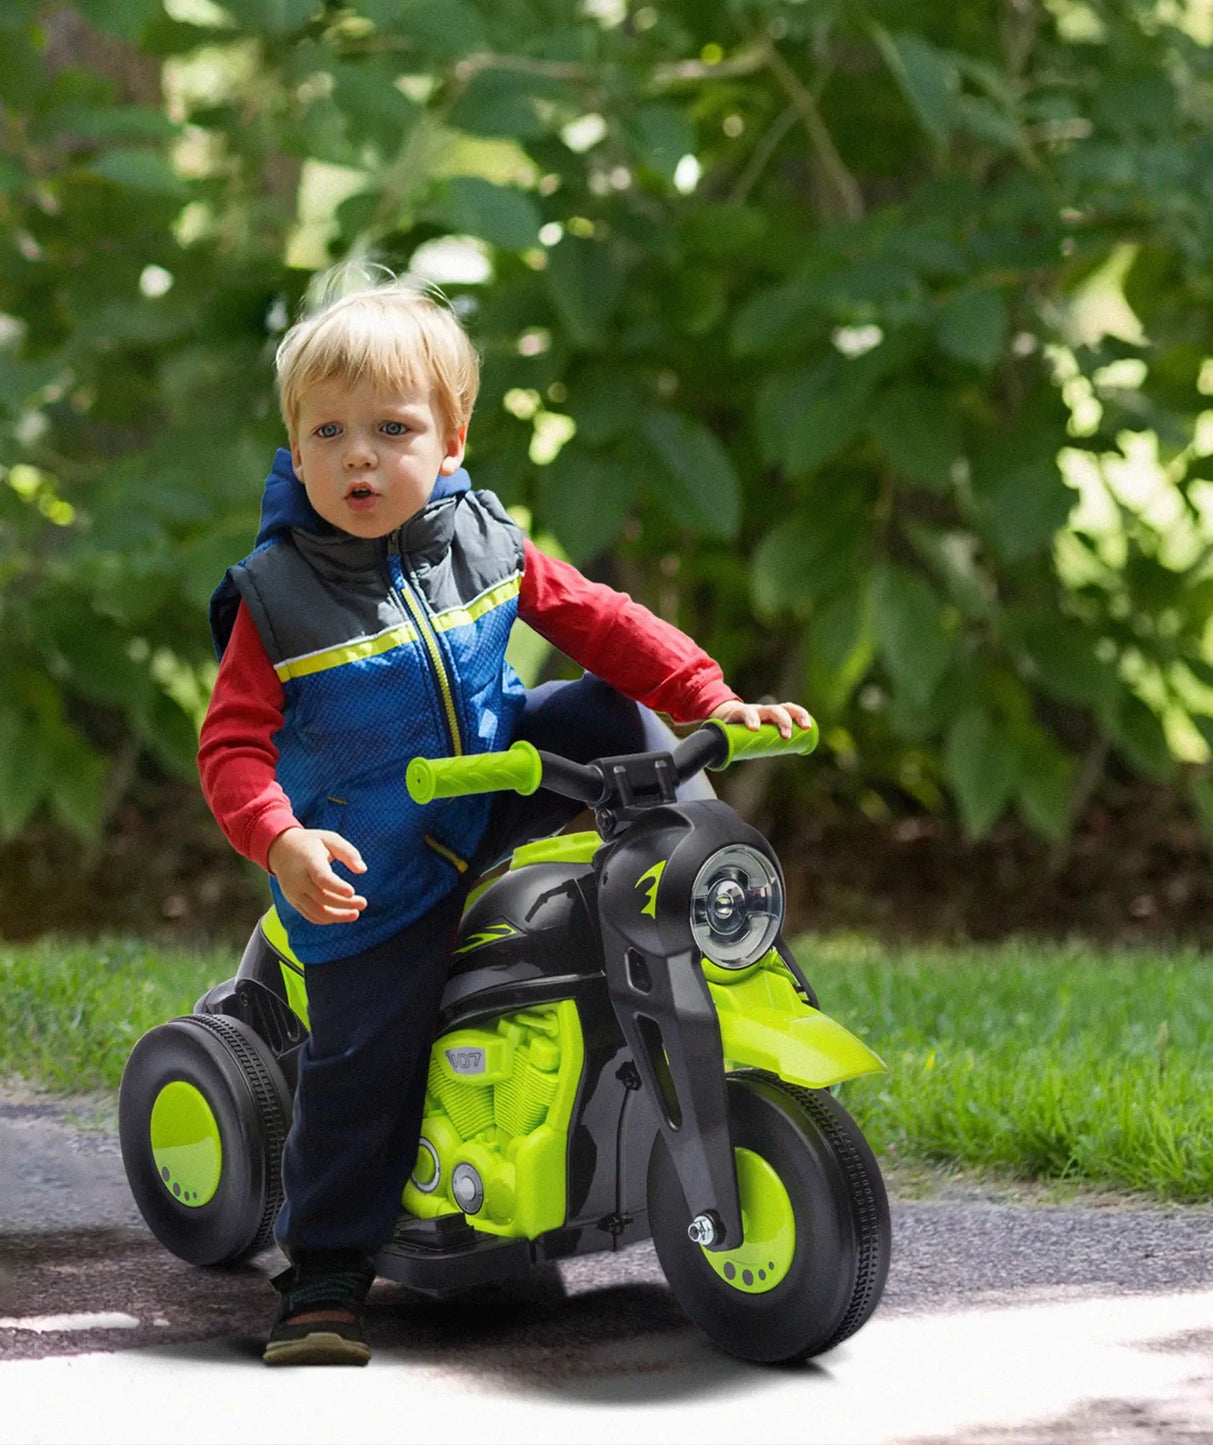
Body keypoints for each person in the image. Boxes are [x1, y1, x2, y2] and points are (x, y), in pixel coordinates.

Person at [198, 272, 811, 1366]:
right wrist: (281, 837)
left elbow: (599, 619)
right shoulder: (277, 594)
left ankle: (704, 911)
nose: (358, 457)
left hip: (486, 777)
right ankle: (326, 1271)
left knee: (603, 705)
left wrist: (708, 697)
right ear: (291, 448)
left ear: (450, 436)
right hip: (374, 851)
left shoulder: (478, 538)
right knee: (367, 1052)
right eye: (326, 431)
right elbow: (232, 748)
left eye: (392, 428)